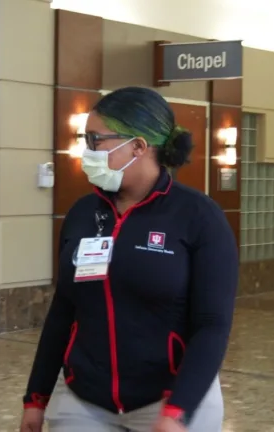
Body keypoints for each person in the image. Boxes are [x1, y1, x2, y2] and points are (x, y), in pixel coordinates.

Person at [20, 87, 239, 432]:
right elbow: (63, 310)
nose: (86, 151)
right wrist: (36, 396)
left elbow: (212, 324)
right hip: (85, 397)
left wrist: (177, 410)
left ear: (138, 146)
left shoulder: (199, 217)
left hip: (170, 398)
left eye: (95, 140)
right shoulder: (81, 215)